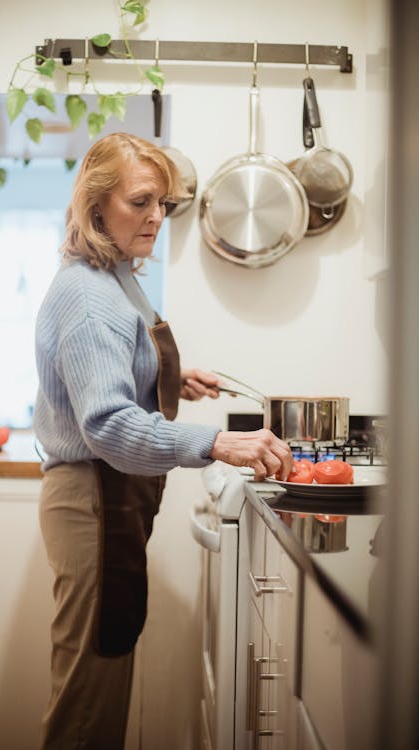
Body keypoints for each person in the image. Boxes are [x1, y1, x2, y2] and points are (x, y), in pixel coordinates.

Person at [33, 131, 293, 750]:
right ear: (96, 207)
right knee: (87, 705)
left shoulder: (112, 277)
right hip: (93, 501)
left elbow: (112, 373)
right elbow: (108, 427)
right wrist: (218, 444)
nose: (156, 217)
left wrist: (171, 373)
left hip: (108, 500)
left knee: (101, 677)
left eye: (164, 204)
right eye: (140, 201)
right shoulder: (89, 296)